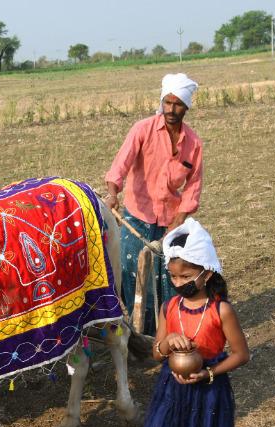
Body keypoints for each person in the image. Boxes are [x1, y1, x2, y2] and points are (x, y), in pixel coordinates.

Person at [139, 219, 249, 427]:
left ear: (207, 273)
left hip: (208, 394)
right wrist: (167, 342)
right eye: (173, 277)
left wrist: (209, 373)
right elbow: (155, 351)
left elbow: (242, 355)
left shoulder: (221, 311)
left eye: (186, 277)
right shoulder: (169, 307)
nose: (178, 283)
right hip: (170, 391)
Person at [104, 72, 204, 335]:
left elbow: (193, 185)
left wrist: (178, 221)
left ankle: (167, 332)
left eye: (178, 104)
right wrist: (113, 193)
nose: (171, 109)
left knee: (170, 279)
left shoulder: (193, 143)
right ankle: (141, 333)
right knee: (131, 274)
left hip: (171, 222)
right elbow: (119, 168)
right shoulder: (142, 129)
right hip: (137, 216)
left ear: (187, 107)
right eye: (167, 103)